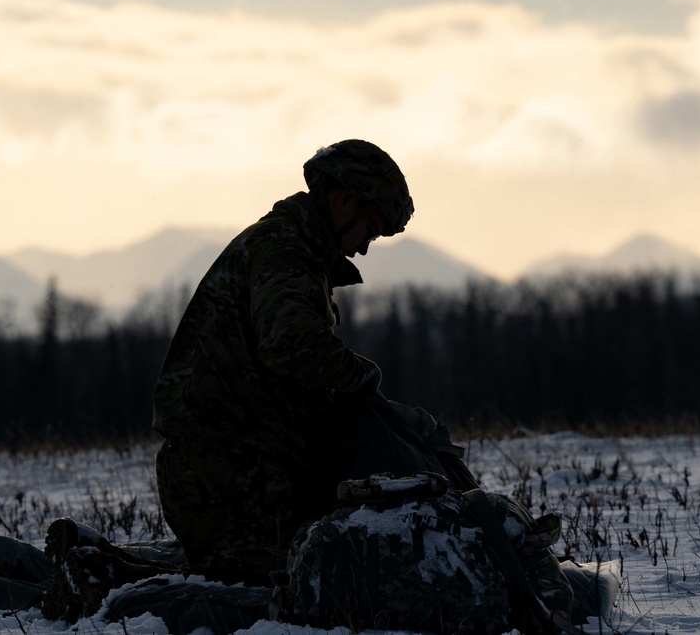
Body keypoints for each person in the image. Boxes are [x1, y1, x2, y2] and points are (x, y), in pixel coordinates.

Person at [152, 139, 474, 587]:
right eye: (370, 230)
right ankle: (103, 576)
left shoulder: (290, 246)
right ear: (342, 200)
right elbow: (292, 345)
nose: (363, 248)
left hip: (239, 472)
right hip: (230, 482)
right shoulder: (286, 251)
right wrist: (361, 376)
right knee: (301, 584)